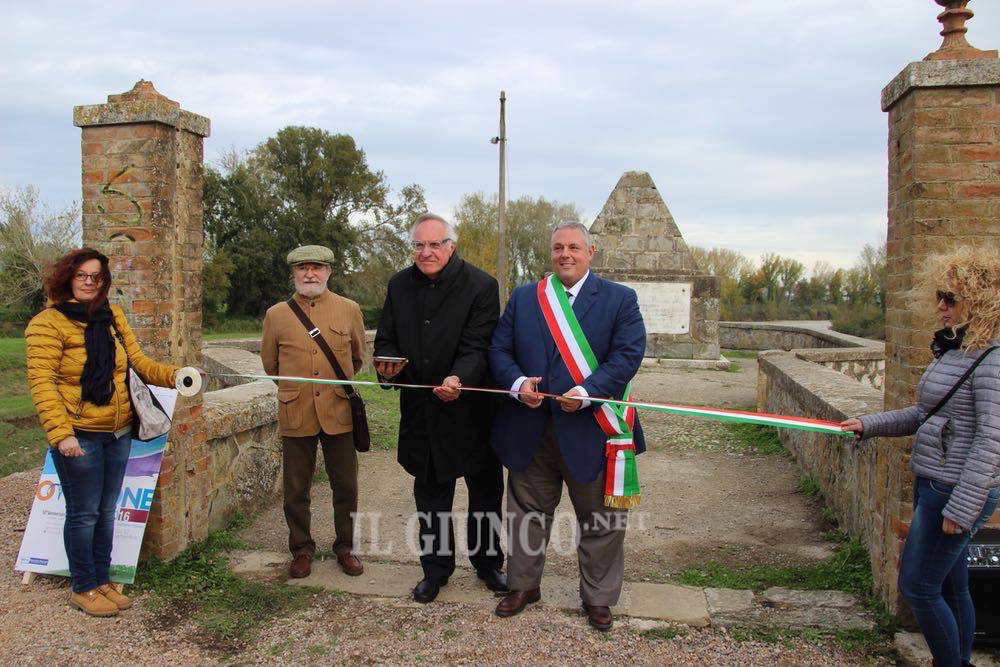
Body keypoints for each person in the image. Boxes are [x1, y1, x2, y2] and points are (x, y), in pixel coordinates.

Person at [841, 246, 1000, 667]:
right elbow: (924, 414)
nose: (942, 306)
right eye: (939, 297)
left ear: (981, 302)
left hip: (953, 491)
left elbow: (991, 439)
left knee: (918, 588)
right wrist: (869, 424)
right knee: (952, 588)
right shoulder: (956, 349)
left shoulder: (991, 360)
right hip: (934, 481)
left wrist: (962, 508)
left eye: (951, 298)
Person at [489, 221, 646, 631]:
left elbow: (628, 355)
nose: (565, 254)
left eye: (574, 247)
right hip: (531, 427)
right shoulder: (526, 298)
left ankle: (598, 598)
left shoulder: (620, 299)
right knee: (526, 514)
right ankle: (523, 586)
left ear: (591, 252)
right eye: (558, 247)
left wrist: (588, 391)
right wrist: (518, 383)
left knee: (601, 521)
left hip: (592, 429)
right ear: (550, 252)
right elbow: (499, 350)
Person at [25, 248, 180, 617]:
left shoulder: (111, 317)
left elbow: (139, 363)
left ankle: (102, 579)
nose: (89, 283)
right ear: (67, 278)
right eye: (82, 275)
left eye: (96, 277)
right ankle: (83, 586)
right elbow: (42, 384)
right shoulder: (47, 324)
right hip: (79, 433)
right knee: (83, 514)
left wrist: (175, 375)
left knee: (107, 510)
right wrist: (62, 434)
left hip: (118, 431)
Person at [374, 213, 506, 603]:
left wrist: (458, 379)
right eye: (419, 245)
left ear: (452, 246)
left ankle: (487, 564)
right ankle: (435, 570)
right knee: (430, 497)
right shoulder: (399, 285)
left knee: (484, 493)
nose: (426, 252)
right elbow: (386, 339)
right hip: (423, 413)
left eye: (434, 244)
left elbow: (479, 345)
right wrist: (386, 365)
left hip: (473, 410)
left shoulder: (482, 285)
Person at [261, 245, 367, 579]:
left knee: (346, 487)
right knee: (295, 489)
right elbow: (270, 364)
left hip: (338, 410)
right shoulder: (276, 315)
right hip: (297, 411)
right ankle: (301, 549)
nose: (310, 274)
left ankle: (345, 547)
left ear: (329, 272)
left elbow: (358, 357)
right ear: (293, 274)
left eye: (317, 268)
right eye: (303, 268)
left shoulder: (349, 309)